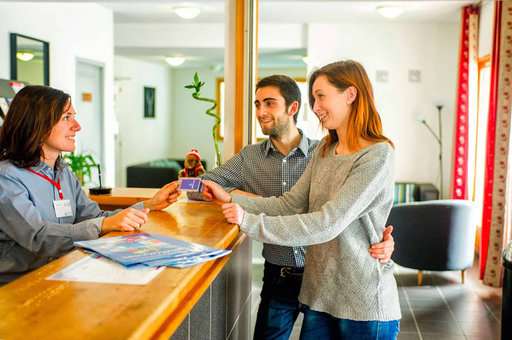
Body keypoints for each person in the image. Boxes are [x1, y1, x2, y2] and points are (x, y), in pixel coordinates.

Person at [203, 61, 401, 339]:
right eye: (313, 98)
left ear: (351, 94)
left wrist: (248, 221)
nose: (316, 106)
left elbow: (328, 222)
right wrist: (231, 198)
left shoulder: (377, 154)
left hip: (362, 302)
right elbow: (289, 204)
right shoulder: (324, 150)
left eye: (321, 96)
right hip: (319, 294)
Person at [0, 85, 179, 284]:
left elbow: (95, 218)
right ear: (37, 125)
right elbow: (38, 237)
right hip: (17, 288)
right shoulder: (6, 178)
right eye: (66, 118)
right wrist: (103, 224)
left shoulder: (62, 172)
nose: (77, 126)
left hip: (62, 273)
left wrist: (148, 205)